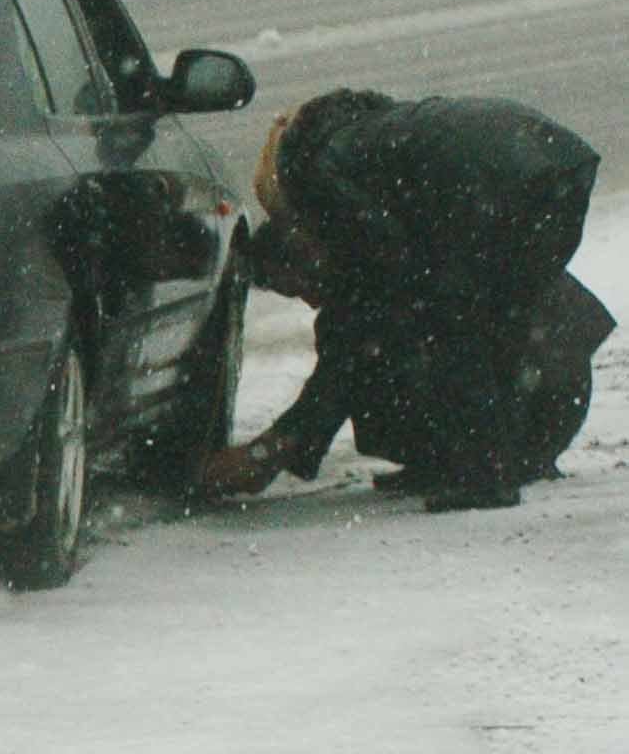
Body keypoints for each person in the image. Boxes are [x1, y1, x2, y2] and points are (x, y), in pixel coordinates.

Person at [201, 89, 609, 511]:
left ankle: (483, 476)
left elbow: (378, 301)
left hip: (501, 179)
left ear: (304, 240)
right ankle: (494, 456)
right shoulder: (363, 147)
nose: (309, 301)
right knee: (493, 314)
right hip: (554, 162)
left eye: (299, 287)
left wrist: (274, 450)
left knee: (439, 319)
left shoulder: (323, 181)